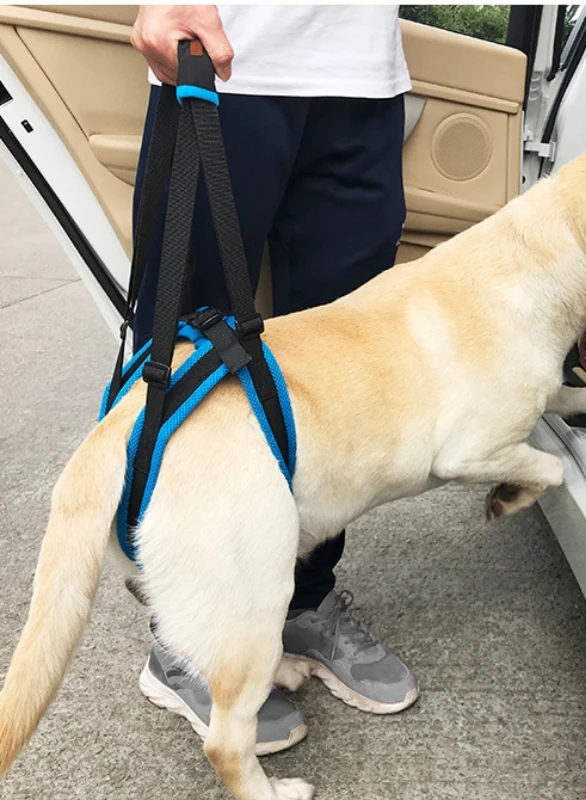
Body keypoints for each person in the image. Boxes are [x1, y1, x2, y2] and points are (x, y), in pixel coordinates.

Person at [130, 4, 418, 753]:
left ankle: (304, 599)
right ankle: (187, 635)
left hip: (364, 82)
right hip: (228, 56)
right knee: (194, 364)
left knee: (342, 376)